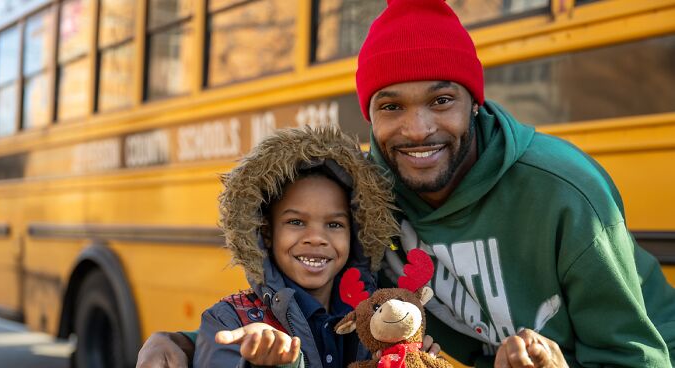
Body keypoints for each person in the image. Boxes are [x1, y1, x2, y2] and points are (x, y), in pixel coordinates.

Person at [137, 0, 675, 367]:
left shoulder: (565, 191)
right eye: (391, 106)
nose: (418, 130)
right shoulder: (367, 199)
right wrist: (187, 343)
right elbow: (325, 314)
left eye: (442, 100)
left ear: (475, 102)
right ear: (369, 117)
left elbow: (637, 353)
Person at [191, 126, 402, 367]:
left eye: (334, 224)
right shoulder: (229, 321)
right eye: (296, 222)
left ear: (356, 234)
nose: (316, 238)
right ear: (266, 232)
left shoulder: (379, 317)